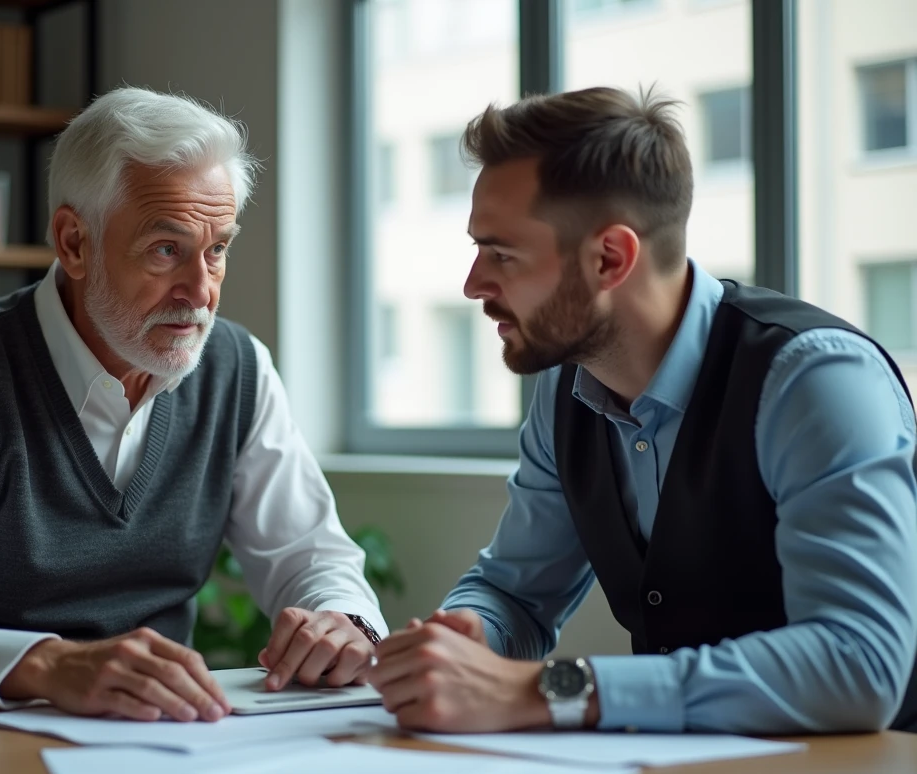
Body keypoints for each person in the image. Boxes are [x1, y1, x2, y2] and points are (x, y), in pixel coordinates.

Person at [0, 87, 386, 722]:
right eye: (167, 249)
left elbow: (313, 556)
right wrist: (47, 665)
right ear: (74, 242)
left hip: (168, 743)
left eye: (217, 248)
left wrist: (341, 620)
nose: (201, 291)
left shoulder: (237, 370)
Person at [368, 86, 917, 735]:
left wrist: (551, 690)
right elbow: (514, 591)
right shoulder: (568, 386)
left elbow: (860, 666)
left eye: (502, 254)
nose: (473, 285)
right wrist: (469, 635)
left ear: (610, 258)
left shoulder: (814, 379)